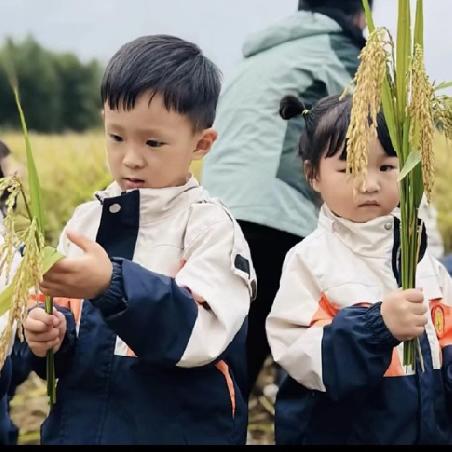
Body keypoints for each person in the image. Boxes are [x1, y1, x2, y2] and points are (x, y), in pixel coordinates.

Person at [22, 35, 256, 445]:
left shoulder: (211, 229)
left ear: (201, 144)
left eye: (153, 142)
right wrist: (49, 338)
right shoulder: (87, 219)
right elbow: (68, 337)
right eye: (116, 137)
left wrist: (110, 284)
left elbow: (196, 337)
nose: (131, 157)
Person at [202, 0, 372, 395]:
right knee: (269, 349)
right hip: (278, 217)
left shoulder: (255, 59)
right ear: (359, 16)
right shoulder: (344, 53)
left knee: (226, 350)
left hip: (215, 215)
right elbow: (377, 136)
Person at [266, 94, 452, 445]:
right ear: (313, 175)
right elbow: (300, 355)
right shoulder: (310, 261)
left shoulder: (421, 260)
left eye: (386, 167)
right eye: (350, 167)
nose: (369, 184)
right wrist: (378, 328)